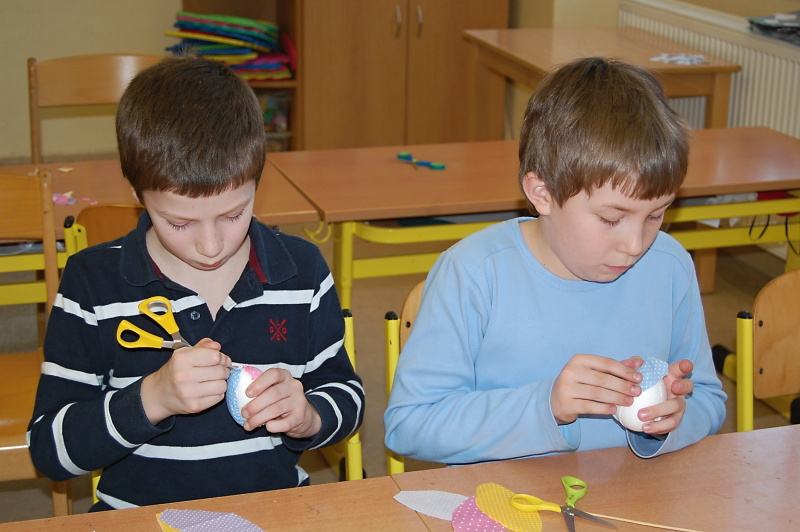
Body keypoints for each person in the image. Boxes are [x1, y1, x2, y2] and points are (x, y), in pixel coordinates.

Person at [28, 56, 364, 510]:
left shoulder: (300, 271)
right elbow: (50, 451)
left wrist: (309, 416)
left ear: (257, 182)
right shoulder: (93, 282)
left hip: (274, 511)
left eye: (233, 214)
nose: (211, 246)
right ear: (136, 193)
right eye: (180, 223)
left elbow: (346, 395)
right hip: (138, 516)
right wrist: (151, 399)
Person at [384, 57, 726, 465]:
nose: (635, 245)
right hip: (506, 497)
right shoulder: (473, 273)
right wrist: (545, 405)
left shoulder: (669, 266)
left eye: (655, 215)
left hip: (634, 493)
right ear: (542, 194)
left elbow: (708, 398)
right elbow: (411, 425)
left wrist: (672, 419)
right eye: (611, 219)